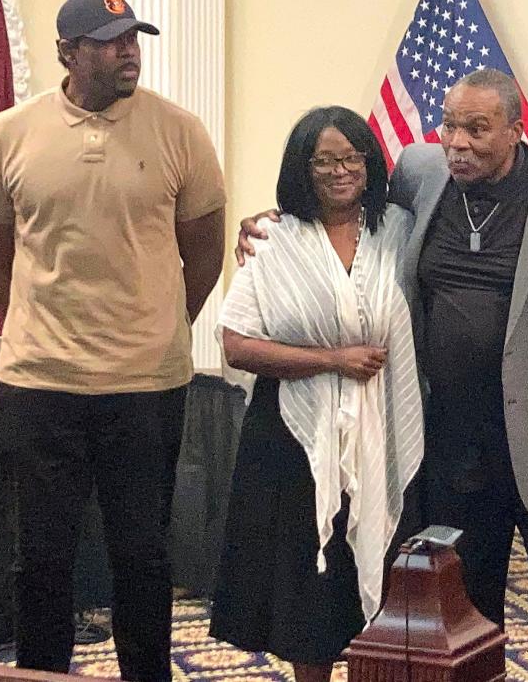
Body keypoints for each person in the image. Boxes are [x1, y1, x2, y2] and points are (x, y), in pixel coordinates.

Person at [237, 69, 528, 681]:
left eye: (477, 129)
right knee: (460, 608)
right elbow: (343, 205)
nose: (458, 141)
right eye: (449, 124)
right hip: (453, 441)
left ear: (516, 129)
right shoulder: (419, 174)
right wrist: (277, 220)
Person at [0, 0, 225, 681]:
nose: (128, 51)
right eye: (109, 41)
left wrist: (161, 325)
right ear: (66, 53)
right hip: (41, 384)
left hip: (145, 387)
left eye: (132, 38)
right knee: (42, 559)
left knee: (143, 556)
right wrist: (34, 323)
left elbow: (204, 250)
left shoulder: (180, 132)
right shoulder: (9, 134)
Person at [210, 106, 422, 682]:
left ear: (370, 162)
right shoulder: (272, 239)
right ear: (302, 169)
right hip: (291, 442)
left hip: (380, 434)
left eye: (350, 157)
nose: (337, 170)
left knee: (375, 575)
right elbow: (236, 345)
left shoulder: (399, 231)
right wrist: (331, 360)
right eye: (323, 160)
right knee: (310, 587)